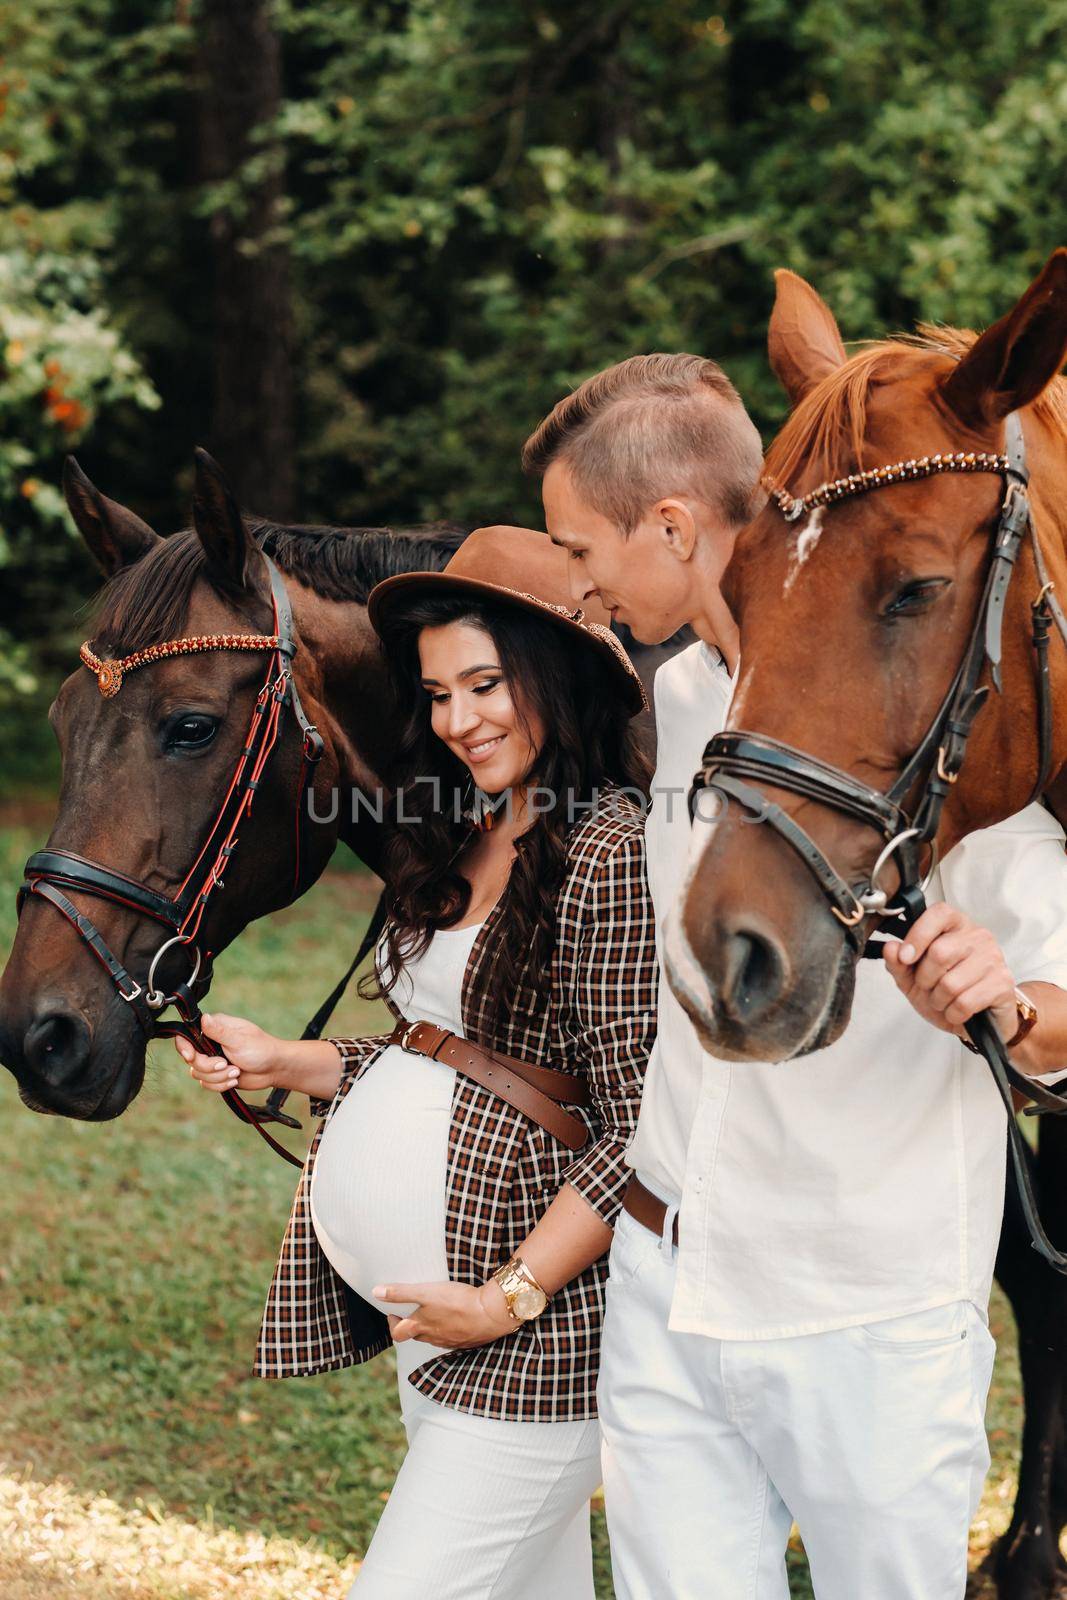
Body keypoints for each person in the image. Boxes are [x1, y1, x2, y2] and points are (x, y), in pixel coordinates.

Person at [522, 353, 1067, 1598]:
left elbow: (1049, 1009)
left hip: (863, 1311)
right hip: (669, 1276)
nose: (575, 583)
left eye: (577, 547)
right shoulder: (674, 693)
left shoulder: (917, 683)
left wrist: (1008, 999)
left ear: (666, 525)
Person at [173, 525, 657, 1598]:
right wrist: (285, 1057)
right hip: (438, 1329)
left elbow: (638, 1127)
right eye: (438, 694)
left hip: (532, 1342)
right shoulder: (473, 828)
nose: (458, 720)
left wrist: (507, 1297)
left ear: (554, 676)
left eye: (484, 684)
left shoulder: (610, 851)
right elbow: (438, 1057)